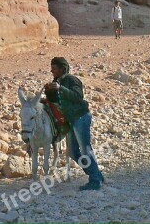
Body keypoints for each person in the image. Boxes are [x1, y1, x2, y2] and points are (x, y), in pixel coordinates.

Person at [44, 57, 105, 191]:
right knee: (72, 151)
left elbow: (78, 96)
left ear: (62, 69)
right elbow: (56, 100)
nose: (51, 71)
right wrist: (48, 91)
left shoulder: (71, 80)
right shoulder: (57, 81)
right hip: (70, 120)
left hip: (81, 117)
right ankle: (97, 175)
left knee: (85, 149)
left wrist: (61, 88)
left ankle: (95, 181)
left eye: (54, 68)